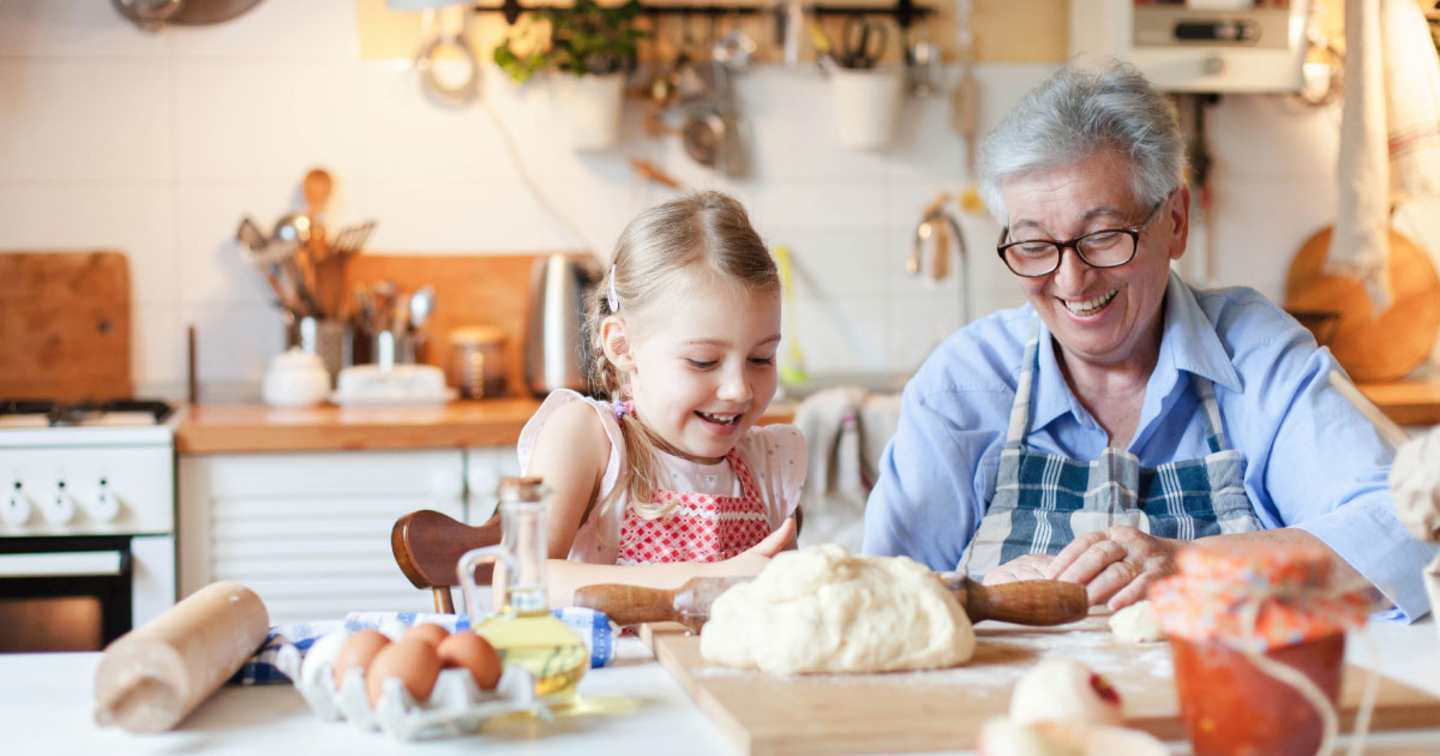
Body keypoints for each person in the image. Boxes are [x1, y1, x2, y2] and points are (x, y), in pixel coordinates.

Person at [862, 61, 1437, 620]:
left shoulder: (1256, 356)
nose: (1071, 280)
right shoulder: (966, 380)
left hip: (1221, 707)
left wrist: (1189, 566)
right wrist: (983, 594)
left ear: (1177, 221)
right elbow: (881, 595)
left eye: (1104, 236)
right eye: (1035, 245)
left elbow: (1407, 536)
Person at [520, 191, 806, 609]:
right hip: (616, 676)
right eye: (704, 361)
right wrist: (707, 579)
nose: (739, 389)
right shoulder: (588, 439)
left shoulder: (770, 463)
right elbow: (520, 580)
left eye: (761, 358)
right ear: (622, 346)